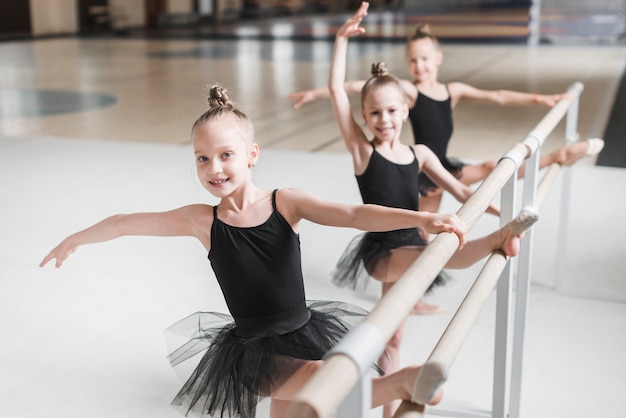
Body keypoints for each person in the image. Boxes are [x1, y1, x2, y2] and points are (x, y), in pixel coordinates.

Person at [38, 84, 478, 418]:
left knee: (307, 398)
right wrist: (75, 238)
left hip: (304, 329)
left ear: (251, 155)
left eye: (225, 155)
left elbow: (354, 214)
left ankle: (401, 383)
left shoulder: (285, 202)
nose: (214, 168)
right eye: (202, 159)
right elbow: (123, 223)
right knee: (312, 382)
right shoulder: (201, 220)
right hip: (252, 348)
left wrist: (420, 219)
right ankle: (401, 383)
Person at [326, 3, 537, 417]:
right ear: (364, 116)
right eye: (374, 113)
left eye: (391, 111)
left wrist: (496, 205)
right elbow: (336, 92)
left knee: (392, 339)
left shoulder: (419, 153)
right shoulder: (362, 152)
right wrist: (339, 42)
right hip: (383, 251)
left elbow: (460, 188)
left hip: (410, 243)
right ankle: (501, 238)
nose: (384, 119)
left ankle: (386, 408)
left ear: (406, 110)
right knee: (440, 251)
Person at [288, 12, 604, 214]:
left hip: (441, 163)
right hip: (424, 170)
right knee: (422, 229)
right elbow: (357, 87)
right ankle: (412, 290)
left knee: (491, 168)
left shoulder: (453, 90)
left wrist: (540, 99)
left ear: (438, 58)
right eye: (413, 61)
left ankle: (559, 155)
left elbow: (497, 96)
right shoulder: (409, 91)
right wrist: (316, 92)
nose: (419, 66)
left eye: (424, 60)